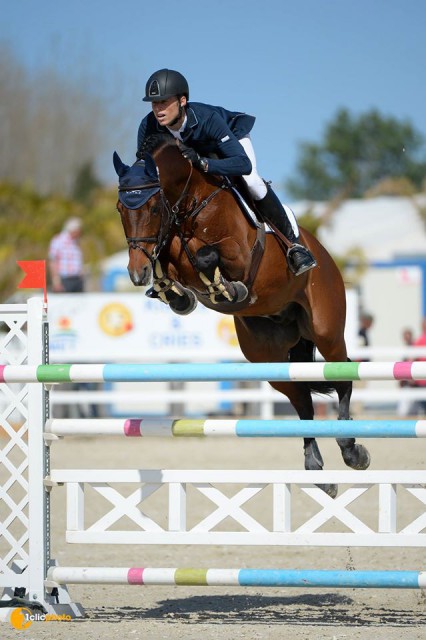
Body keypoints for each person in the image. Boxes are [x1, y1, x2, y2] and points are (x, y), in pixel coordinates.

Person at [137, 68, 317, 277]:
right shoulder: (149, 126)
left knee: (252, 182)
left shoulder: (207, 119)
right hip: (199, 155)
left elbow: (242, 164)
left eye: (164, 102)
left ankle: (293, 246)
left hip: (232, 140)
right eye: (154, 103)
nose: (158, 109)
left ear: (182, 101)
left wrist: (204, 164)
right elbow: (144, 169)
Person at [48, 217, 84, 292]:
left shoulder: (76, 242)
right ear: (73, 230)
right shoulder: (58, 240)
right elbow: (52, 261)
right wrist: (56, 282)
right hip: (64, 280)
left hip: (77, 280)